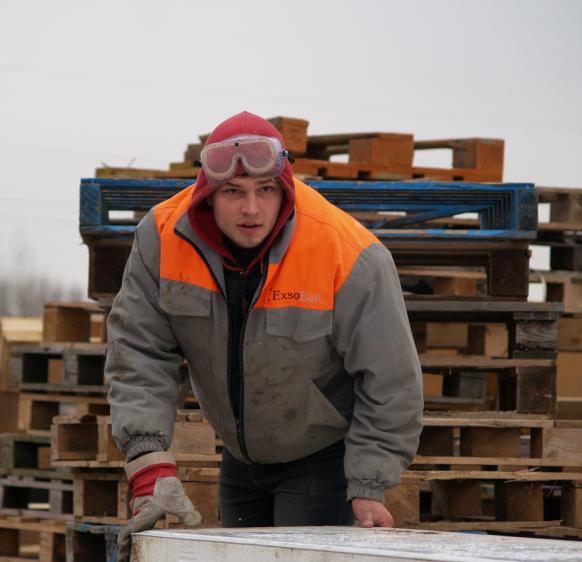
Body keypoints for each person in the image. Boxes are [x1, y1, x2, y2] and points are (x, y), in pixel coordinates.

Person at [106, 111, 423, 558]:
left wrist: (369, 483)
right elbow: (138, 351)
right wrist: (147, 461)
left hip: (320, 460)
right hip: (239, 459)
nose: (251, 209)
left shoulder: (350, 254)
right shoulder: (162, 237)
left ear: (285, 189)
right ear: (208, 195)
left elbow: (391, 379)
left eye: (265, 190)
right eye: (233, 192)